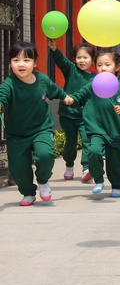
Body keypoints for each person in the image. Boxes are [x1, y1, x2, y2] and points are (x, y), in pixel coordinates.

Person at [67, 50, 120, 197]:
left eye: (107, 65)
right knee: (94, 151)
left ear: (117, 67)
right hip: (97, 129)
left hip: (117, 131)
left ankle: (116, 186)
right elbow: (79, 97)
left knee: (115, 163)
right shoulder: (92, 85)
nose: (103, 68)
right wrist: (71, 100)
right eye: (99, 65)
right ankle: (98, 179)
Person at [0, 42, 72, 205]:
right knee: (17, 169)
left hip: (41, 129)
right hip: (17, 134)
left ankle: (43, 180)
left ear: (35, 63)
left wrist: (65, 97)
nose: (21, 64)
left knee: (45, 155)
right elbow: (2, 96)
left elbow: (56, 90)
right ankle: (28, 193)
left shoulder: (43, 80)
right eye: (15, 60)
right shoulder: (9, 84)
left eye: (26, 60)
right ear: (10, 63)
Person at [48, 39, 96, 182]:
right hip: (67, 114)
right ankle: (69, 165)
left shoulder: (95, 78)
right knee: (70, 141)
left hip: (85, 116)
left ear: (92, 60)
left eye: (85, 57)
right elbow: (60, 60)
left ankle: (86, 168)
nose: (82, 60)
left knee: (87, 140)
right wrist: (54, 48)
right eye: (79, 57)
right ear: (74, 59)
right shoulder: (71, 69)